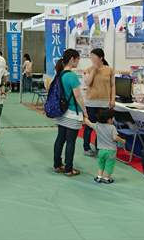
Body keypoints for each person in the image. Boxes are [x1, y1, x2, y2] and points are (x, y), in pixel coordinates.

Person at [52, 49, 89, 177]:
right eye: (78, 59)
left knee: (60, 139)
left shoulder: (60, 74)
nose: (78, 61)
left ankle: (57, 165)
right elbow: (78, 97)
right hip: (73, 113)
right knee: (71, 142)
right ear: (73, 59)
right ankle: (68, 169)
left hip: (62, 113)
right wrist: (85, 112)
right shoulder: (72, 76)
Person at [82, 48, 115, 157]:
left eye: (94, 57)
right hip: (91, 103)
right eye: (91, 57)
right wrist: (94, 70)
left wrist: (113, 99)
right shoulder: (88, 69)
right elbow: (87, 83)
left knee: (102, 127)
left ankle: (99, 147)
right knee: (89, 127)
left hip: (104, 103)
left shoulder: (109, 70)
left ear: (101, 58)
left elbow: (112, 85)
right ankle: (86, 148)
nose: (92, 59)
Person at [83, 109, 125, 184]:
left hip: (101, 150)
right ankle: (107, 178)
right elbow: (115, 137)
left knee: (101, 163)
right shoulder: (112, 127)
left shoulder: (97, 126)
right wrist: (122, 140)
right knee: (109, 164)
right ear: (109, 119)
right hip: (111, 151)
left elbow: (88, 123)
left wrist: (84, 116)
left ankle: (99, 177)